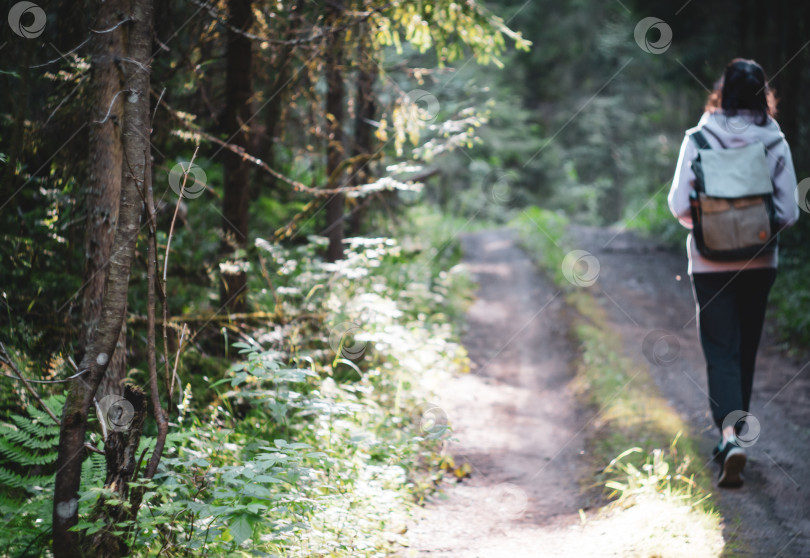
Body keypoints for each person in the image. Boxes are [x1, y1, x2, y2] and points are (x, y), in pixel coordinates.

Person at [668, 58, 799, 488]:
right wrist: (754, 230)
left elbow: (678, 205)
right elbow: (788, 211)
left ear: (721, 92)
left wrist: (711, 229)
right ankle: (735, 434)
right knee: (744, 350)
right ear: (764, 94)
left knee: (720, 348)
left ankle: (728, 437)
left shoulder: (698, 137)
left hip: (709, 262)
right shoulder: (774, 141)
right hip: (760, 261)